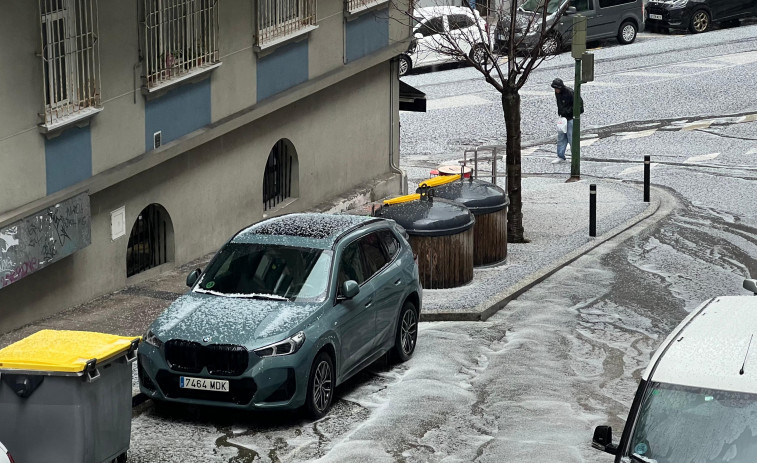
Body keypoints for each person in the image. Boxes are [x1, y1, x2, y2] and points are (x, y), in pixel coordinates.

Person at [551, 78, 583, 163]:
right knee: (561, 137)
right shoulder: (560, 93)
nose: (556, 90)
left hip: (570, 118)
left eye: (557, 88)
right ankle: (560, 155)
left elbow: (579, 105)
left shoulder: (570, 93)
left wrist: (568, 112)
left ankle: (575, 156)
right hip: (564, 118)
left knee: (571, 138)